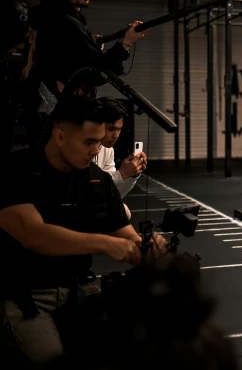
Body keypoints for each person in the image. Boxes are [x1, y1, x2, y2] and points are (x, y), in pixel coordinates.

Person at [0, 96, 167, 368]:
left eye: (99, 141)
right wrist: (103, 243)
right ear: (60, 136)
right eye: (89, 142)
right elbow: (34, 235)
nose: (96, 149)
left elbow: (125, 236)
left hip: (79, 290)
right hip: (25, 295)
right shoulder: (16, 170)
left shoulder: (97, 180)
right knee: (49, 359)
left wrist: (148, 248)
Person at [19, 0, 149, 147]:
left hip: (44, 117)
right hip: (61, 118)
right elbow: (99, 72)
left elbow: (70, 57)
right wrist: (127, 42)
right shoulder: (66, 22)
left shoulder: (47, 17)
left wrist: (88, 42)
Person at [94, 97, 147, 219]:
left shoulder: (108, 149)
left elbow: (114, 195)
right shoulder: (80, 149)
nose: (116, 135)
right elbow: (88, 190)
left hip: (94, 205)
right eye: (111, 129)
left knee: (123, 210)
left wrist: (132, 175)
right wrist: (122, 174)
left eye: (119, 129)